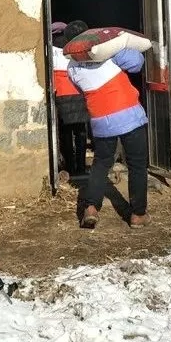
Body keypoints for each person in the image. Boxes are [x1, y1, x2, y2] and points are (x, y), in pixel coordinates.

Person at [64, 20, 150, 230]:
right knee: (137, 164)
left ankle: (91, 208)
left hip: (100, 119)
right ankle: (138, 214)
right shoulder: (110, 53)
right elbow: (137, 63)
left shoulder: (72, 66)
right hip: (129, 114)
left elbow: (80, 87)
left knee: (101, 164)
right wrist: (120, 45)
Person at [51, 22, 89, 177]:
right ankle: (81, 167)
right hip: (79, 92)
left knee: (65, 133)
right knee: (80, 132)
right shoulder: (76, 48)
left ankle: (70, 166)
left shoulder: (51, 49)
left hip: (61, 95)